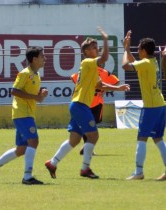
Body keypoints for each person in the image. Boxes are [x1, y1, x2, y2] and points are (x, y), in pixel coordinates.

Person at [45, 27, 130, 179]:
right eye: (93, 47)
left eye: (96, 47)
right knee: (94, 136)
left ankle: (52, 163)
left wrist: (118, 87)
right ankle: (85, 169)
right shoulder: (88, 62)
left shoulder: (90, 67)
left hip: (77, 105)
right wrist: (105, 39)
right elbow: (104, 59)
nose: (96, 49)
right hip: (81, 105)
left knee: (75, 139)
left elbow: (100, 85)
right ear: (86, 52)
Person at [0, 46, 48, 185]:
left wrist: (40, 95)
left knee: (21, 149)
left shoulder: (36, 75)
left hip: (26, 113)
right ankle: (27, 177)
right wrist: (35, 97)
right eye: (42, 56)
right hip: (22, 113)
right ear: (34, 59)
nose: (45, 58)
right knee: (34, 141)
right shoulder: (25, 73)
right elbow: (14, 91)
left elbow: (31, 96)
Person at [122, 31, 166, 181]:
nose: (137, 50)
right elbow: (135, 63)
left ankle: (138, 172)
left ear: (144, 50)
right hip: (160, 105)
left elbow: (125, 66)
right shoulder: (151, 62)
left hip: (151, 107)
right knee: (158, 139)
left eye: (139, 48)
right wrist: (128, 49)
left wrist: (124, 50)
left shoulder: (146, 63)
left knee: (142, 138)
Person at [71, 66, 119, 155]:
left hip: (93, 101)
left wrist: (104, 90)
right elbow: (116, 81)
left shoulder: (100, 71)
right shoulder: (90, 70)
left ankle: (86, 148)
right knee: (89, 125)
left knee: (91, 125)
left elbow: (74, 78)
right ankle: (87, 149)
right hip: (88, 100)